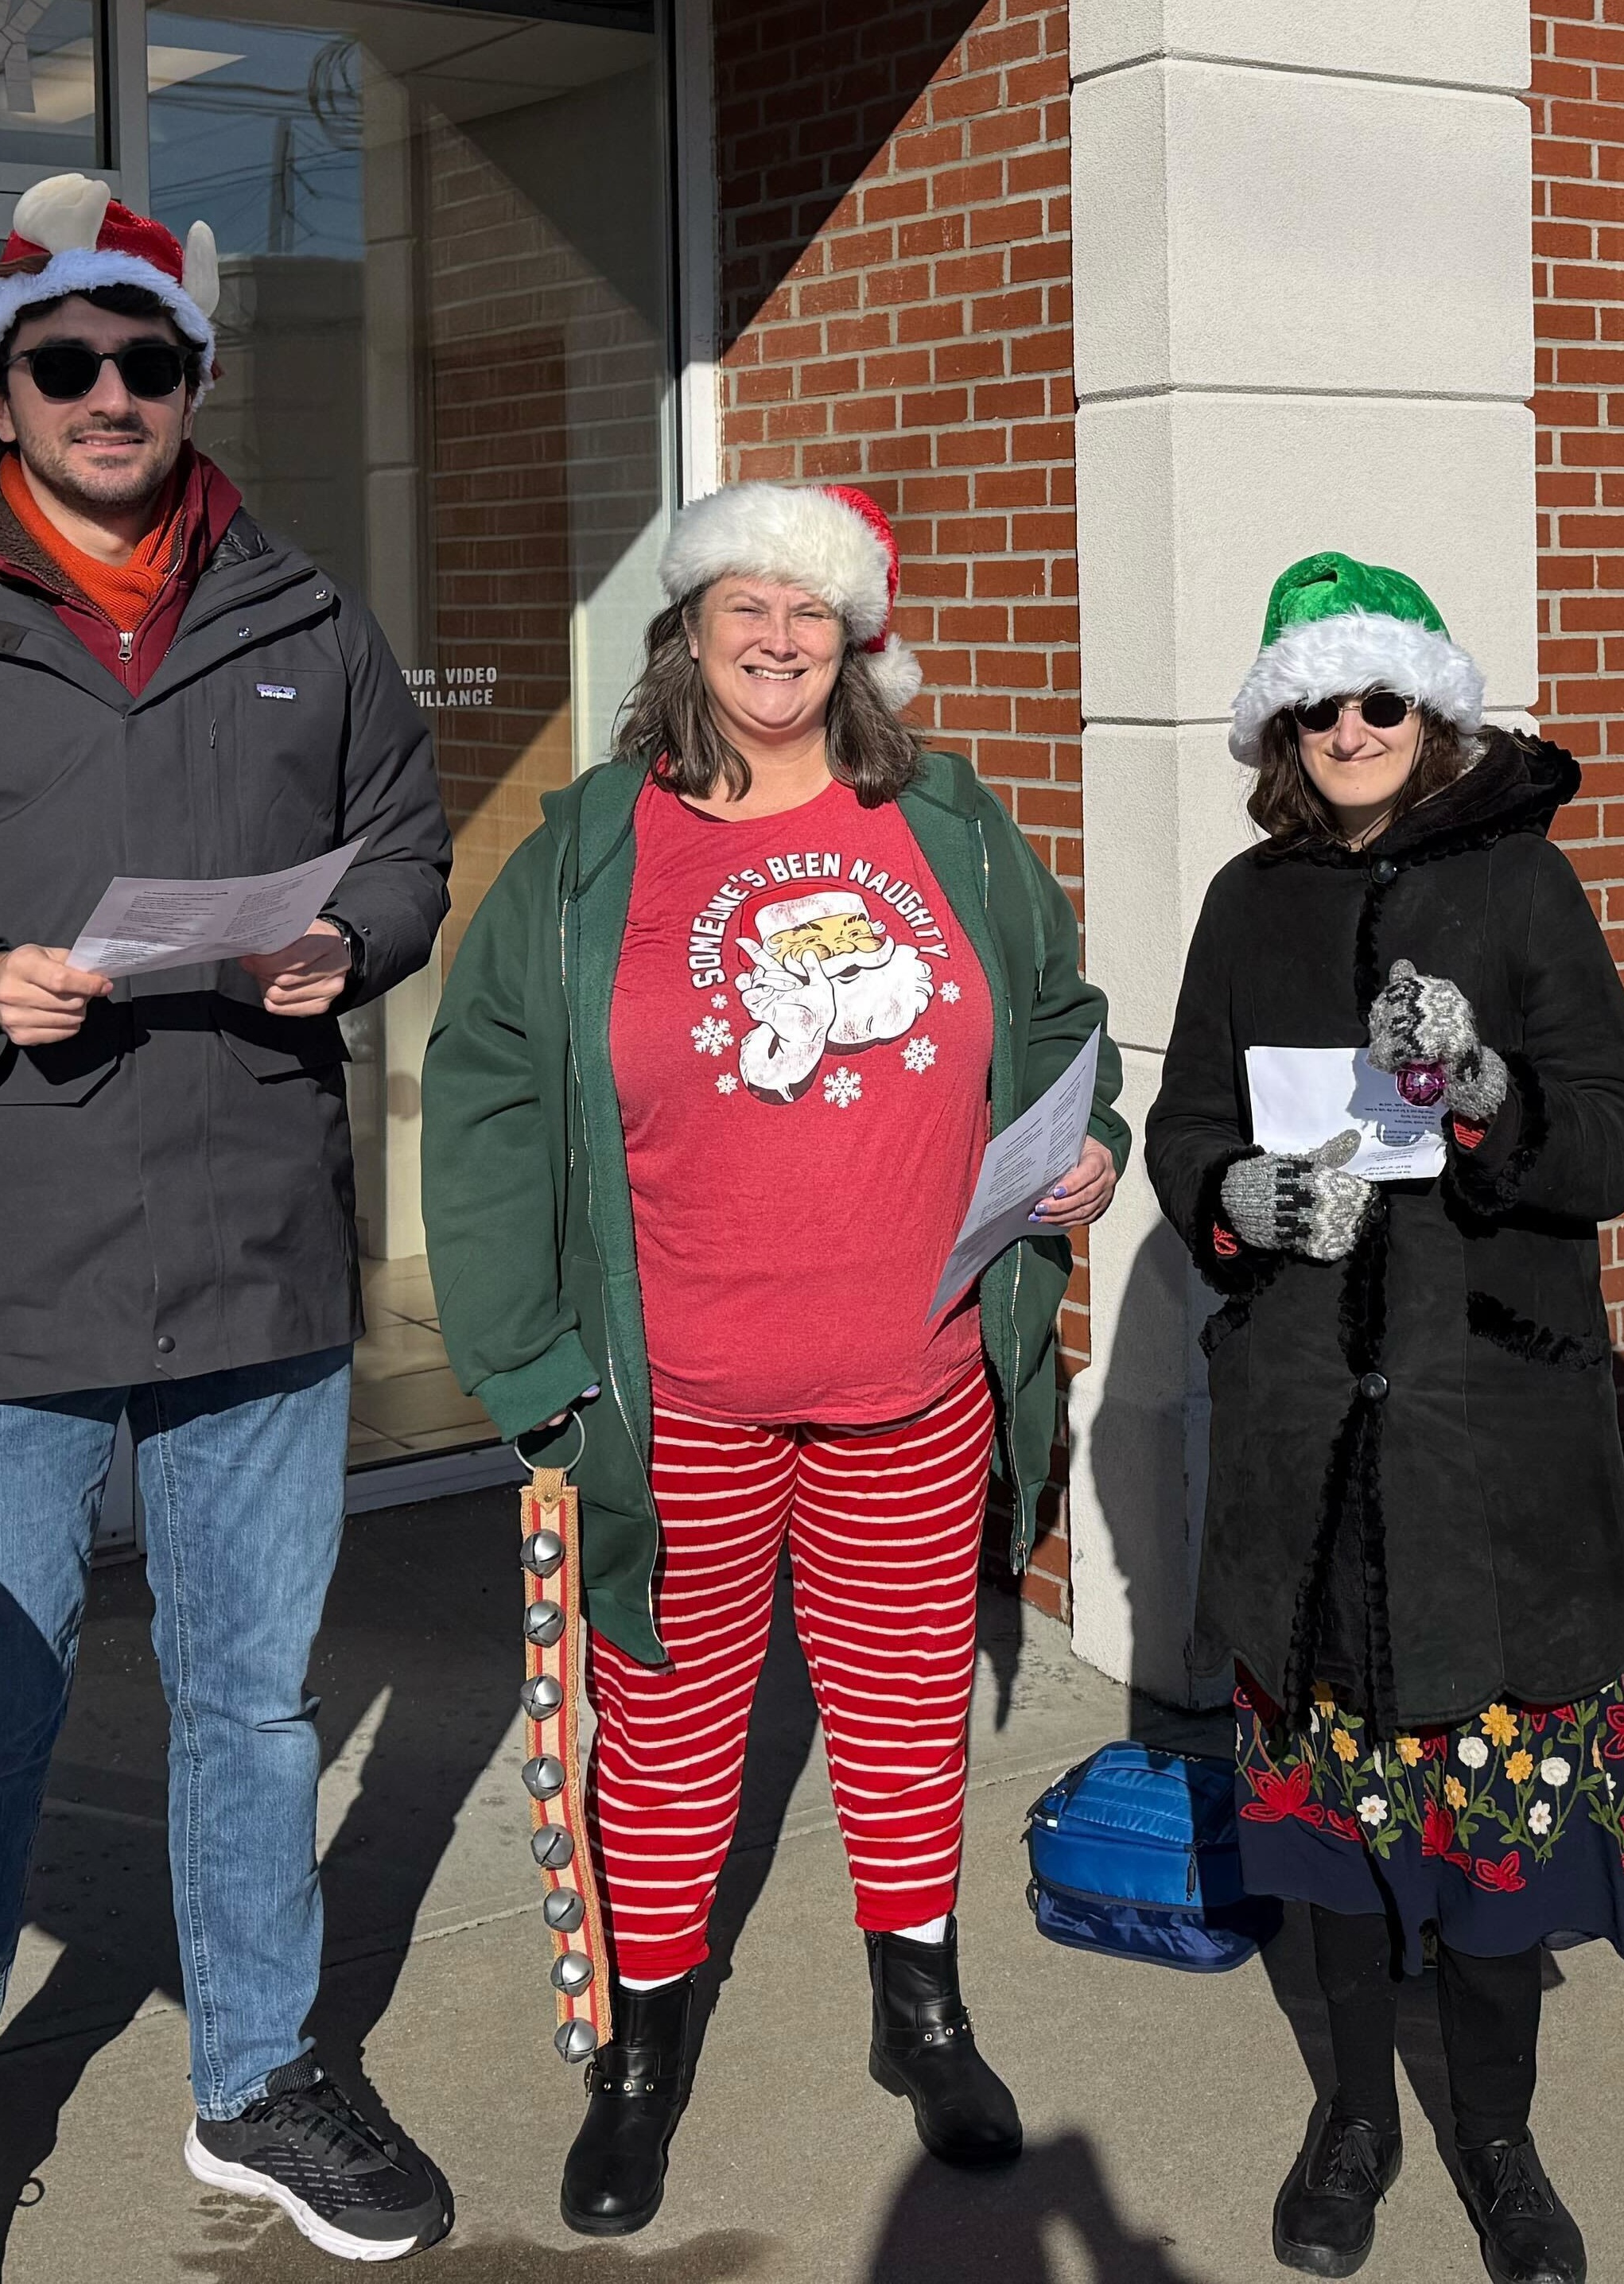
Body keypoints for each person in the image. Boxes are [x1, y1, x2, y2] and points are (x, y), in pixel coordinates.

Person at [0, 173, 458, 2277]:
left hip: (258, 1242)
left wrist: (355, 939)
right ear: (6, 386)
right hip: (8, 1262)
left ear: (191, 378)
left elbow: (406, 842)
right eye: (68, 361)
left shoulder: (305, 614)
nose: (111, 391)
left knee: (253, 1703)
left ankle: (254, 2081)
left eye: (147, 358)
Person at [423, 479, 1124, 2237]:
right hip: (675, 1400)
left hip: (917, 1374)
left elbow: (1057, 1018)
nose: (780, 638)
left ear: (855, 637)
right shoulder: (593, 847)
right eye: (748, 604)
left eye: (813, 612)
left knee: (901, 1716)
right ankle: (644, 2054)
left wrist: (1077, 1141)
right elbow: (493, 1099)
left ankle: (922, 2009)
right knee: (667, 1728)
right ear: (690, 627)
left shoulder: (946, 822)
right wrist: (535, 1371)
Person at [1146, 554, 1624, 2284]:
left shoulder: (1522, 885)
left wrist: (1499, 1098)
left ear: (1430, 712)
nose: (1352, 729)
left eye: (1380, 699)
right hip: (1308, 1426)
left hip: (1488, 1425)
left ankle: (1499, 2132)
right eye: (1319, 704)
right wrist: (1235, 1193)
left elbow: (1614, 1142)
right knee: (1336, 1831)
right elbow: (1184, 1125)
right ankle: (1355, 2113)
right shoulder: (1246, 899)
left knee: (1496, 1832)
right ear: (1283, 727)